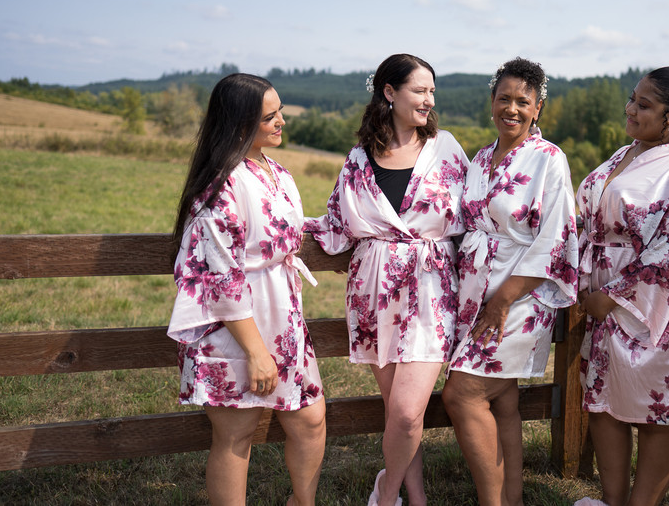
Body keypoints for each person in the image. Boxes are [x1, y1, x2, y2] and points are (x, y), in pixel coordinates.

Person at [304, 53, 468, 506]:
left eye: (432, 91)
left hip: (431, 292)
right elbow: (337, 224)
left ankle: (385, 491)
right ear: (390, 93)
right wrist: (280, 227)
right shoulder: (359, 159)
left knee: (406, 412)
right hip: (373, 294)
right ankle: (415, 499)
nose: (429, 100)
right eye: (420, 90)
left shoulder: (447, 150)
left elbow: (475, 214)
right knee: (397, 415)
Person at [167, 73, 326, 506]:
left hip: (284, 313)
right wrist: (256, 352)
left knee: (311, 418)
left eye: (280, 112)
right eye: (270, 117)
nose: (281, 122)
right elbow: (221, 276)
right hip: (233, 323)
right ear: (239, 125)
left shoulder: (276, 172)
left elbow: (289, 230)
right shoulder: (218, 186)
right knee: (237, 434)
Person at [574, 66, 669, 506]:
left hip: (657, 303)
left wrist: (612, 296)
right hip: (602, 296)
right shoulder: (626, 152)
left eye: (643, 104)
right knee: (601, 405)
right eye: (632, 99)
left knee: (653, 414)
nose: (631, 109)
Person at [442, 57, 579, 506]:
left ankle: (491, 502)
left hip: (519, 294)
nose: (512, 109)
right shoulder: (480, 157)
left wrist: (503, 299)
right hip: (475, 291)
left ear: (538, 108)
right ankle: (512, 498)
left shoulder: (548, 159)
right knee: (503, 402)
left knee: (462, 394)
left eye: (524, 101)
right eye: (505, 98)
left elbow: (554, 236)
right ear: (492, 101)